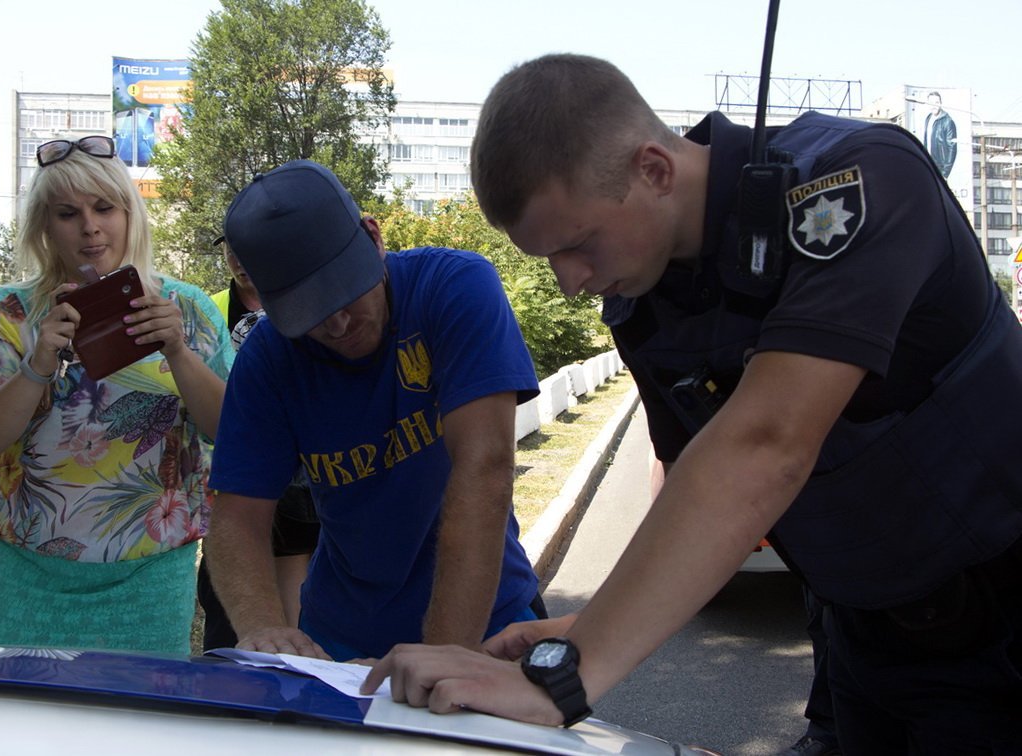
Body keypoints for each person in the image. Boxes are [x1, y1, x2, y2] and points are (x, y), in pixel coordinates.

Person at [364, 54, 1022, 753]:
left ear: (654, 169)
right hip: (860, 633)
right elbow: (688, 486)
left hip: (1001, 623)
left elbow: (766, 444)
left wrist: (565, 678)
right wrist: (590, 627)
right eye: (547, 259)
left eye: (577, 245)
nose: (569, 283)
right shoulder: (645, 301)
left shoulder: (858, 181)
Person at [204, 159, 545, 662]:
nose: (338, 324)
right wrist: (263, 627)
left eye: (345, 291)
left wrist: (441, 659)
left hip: (489, 623)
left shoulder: (454, 287)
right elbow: (236, 516)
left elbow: (485, 468)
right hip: (340, 637)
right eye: (308, 312)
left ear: (373, 237)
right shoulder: (268, 358)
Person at [0, 135, 233, 654]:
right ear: (43, 225)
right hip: (27, 572)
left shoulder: (187, 310)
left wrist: (177, 351)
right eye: (67, 213)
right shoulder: (6, 313)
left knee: (134, 707)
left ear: (130, 214)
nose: (90, 226)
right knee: (15, 704)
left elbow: (232, 432)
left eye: (105, 207)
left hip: (149, 576)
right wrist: (39, 363)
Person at [196, 235, 320, 649]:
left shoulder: (308, 299)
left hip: (305, 476)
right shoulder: (208, 308)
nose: (239, 259)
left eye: (249, 247)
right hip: (238, 473)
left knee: (301, 605)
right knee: (231, 611)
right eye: (230, 249)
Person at [922, 91, 957, 179]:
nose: (934, 105)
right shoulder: (928, 118)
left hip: (940, 169)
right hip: (928, 165)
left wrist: (945, 174)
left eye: (936, 102)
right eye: (931, 103)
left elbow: (952, 148)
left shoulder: (948, 121)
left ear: (941, 104)